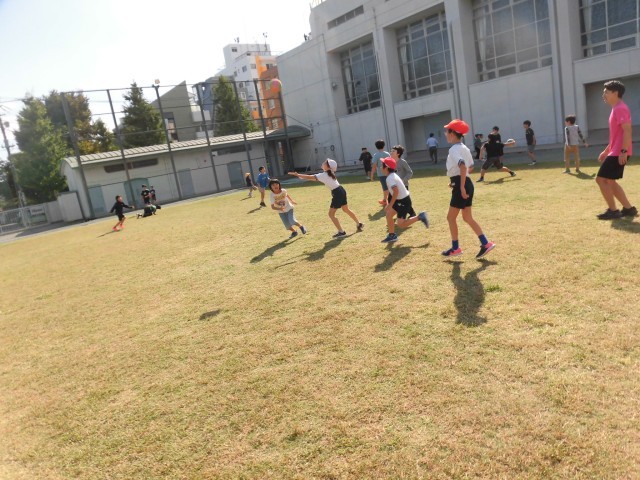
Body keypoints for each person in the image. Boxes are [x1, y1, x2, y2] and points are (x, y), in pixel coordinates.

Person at [442, 119, 495, 258]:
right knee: (467, 217)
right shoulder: (464, 147)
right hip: (467, 183)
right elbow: (470, 167)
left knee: (450, 218)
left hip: (462, 185)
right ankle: (486, 243)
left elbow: (463, 167)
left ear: (453, 133)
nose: (445, 133)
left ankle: (455, 248)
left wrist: (460, 185)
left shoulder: (453, 149)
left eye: (447, 131)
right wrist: (458, 182)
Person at [288, 159, 364, 239]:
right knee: (346, 209)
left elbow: (311, 177)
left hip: (337, 193)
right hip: (341, 190)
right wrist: (301, 176)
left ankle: (341, 232)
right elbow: (314, 178)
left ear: (328, 167)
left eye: (325, 162)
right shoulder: (329, 173)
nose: (323, 163)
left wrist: (298, 175)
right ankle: (359, 223)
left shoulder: (324, 174)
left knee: (331, 214)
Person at [595, 80, 637, 219]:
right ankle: (628, 209)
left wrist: (623, 151)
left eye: (606, 92)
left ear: (615, 93)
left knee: (601, 180)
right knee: (610, 181)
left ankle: (613, 211)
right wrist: (606, 150)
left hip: (619, 152)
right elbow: (616, 135)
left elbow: (627, 130)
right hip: (615, 151)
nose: (604, 95)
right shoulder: (616, 108)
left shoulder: (620, 108)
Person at [379, 157, 429, 243]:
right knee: (389, 215)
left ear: (386, 167)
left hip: (403, 202)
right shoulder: (392, 176)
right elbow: (393, 192)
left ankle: (420, 217)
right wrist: (388, 203)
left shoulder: (390, 178)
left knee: (401, 224)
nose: (380, 167)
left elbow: (396, 191)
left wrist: (390, 205)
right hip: (399, 200)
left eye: (382, 165)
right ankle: (392, 236)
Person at [370, 139, 391, 206]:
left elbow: (374, 166)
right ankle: (385, 200)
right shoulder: (387, 154)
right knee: (388, 187)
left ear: (376, 146)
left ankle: (387, 201)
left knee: (385, 188)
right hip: (389, 173)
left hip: (381, 173)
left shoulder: (376, 155)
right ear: (383, 145)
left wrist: (372, 175)